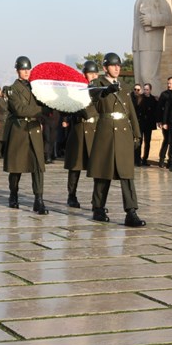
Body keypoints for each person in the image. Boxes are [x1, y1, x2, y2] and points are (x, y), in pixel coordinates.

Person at [88, 52, 145, 227]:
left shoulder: (125, 86)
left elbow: (131, 112)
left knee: (127, 173)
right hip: (106, 131)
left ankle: (131, 212)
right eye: (113, 65)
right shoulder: (97, 84)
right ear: (105, 67)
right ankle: (98, 208)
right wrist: (106, 91)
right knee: (102, 173)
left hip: (123, 132)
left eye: (118, 65)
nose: (117, 68)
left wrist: (137, 133)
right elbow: (93, 97)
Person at [2, 56, 48, 215]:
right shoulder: (12, 89)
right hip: (19, 129)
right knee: (16, 167)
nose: (26, 72)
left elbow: (44, 102)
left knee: (38, 166)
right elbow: (19, 109)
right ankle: (13, 194)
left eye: (28, 69)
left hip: (34, 128)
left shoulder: (36, 87)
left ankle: (39, 200)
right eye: (23, 69)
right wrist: (41, 110)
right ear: (17, 71)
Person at [63, 60, 100, 208]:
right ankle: (71, 195)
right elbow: (79, 109)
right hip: (79, 129)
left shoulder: (99, 90)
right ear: (84, 74)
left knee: (97, 167)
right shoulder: (77, 90)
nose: (94, 76)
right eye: (91, 73)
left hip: (95, 129)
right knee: (75, 165)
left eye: (95, 73)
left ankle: (97, 199)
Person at [133, 0, 172, 89]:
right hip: (139, 41)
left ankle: (155, 99)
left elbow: (169, 18)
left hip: (151, 42)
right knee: (139, 78)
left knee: (148, 76)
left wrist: (151, 19)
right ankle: (142, 100)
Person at [136, 83, 159, 166]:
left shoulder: (153, 99)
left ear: (150, 90)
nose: (146, 91)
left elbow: (156, 110)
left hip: (149, 123)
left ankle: (145, 159)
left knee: (147, 141)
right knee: (139, 141)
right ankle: (138, 159)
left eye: (147, 90)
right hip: (141, 122)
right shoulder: (140, 98)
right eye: (145, 89)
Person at [156, 76, 172, 168]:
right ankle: (161, 159)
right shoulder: (164, 94)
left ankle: (171, 160)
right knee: (167, 139)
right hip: (166, 122)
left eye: (170, 83)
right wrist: (160, 121)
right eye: (168, 83)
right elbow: (159, 108)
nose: (168, 85)